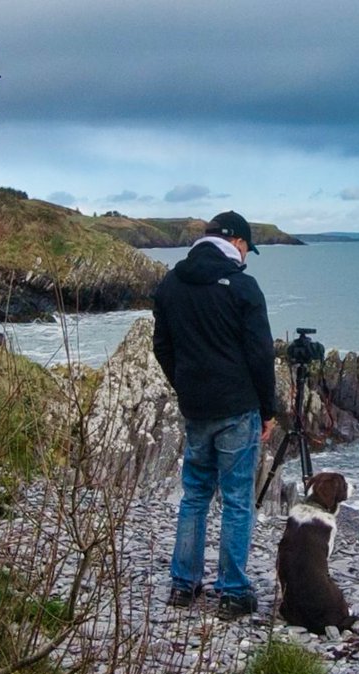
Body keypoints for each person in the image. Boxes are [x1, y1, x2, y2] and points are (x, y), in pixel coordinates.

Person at [152, 211, 277, 619]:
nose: (246, 257)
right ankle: (232, 590)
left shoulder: (171, 284)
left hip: (196, 407)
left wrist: (184, 385)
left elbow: (162, 346)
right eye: (247, 249)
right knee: (238, 500)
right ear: (237, 242)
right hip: (237, 408)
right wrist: (268, 408)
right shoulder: (242, 286)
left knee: (195, 496)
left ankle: (183, 585)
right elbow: (261, 355)